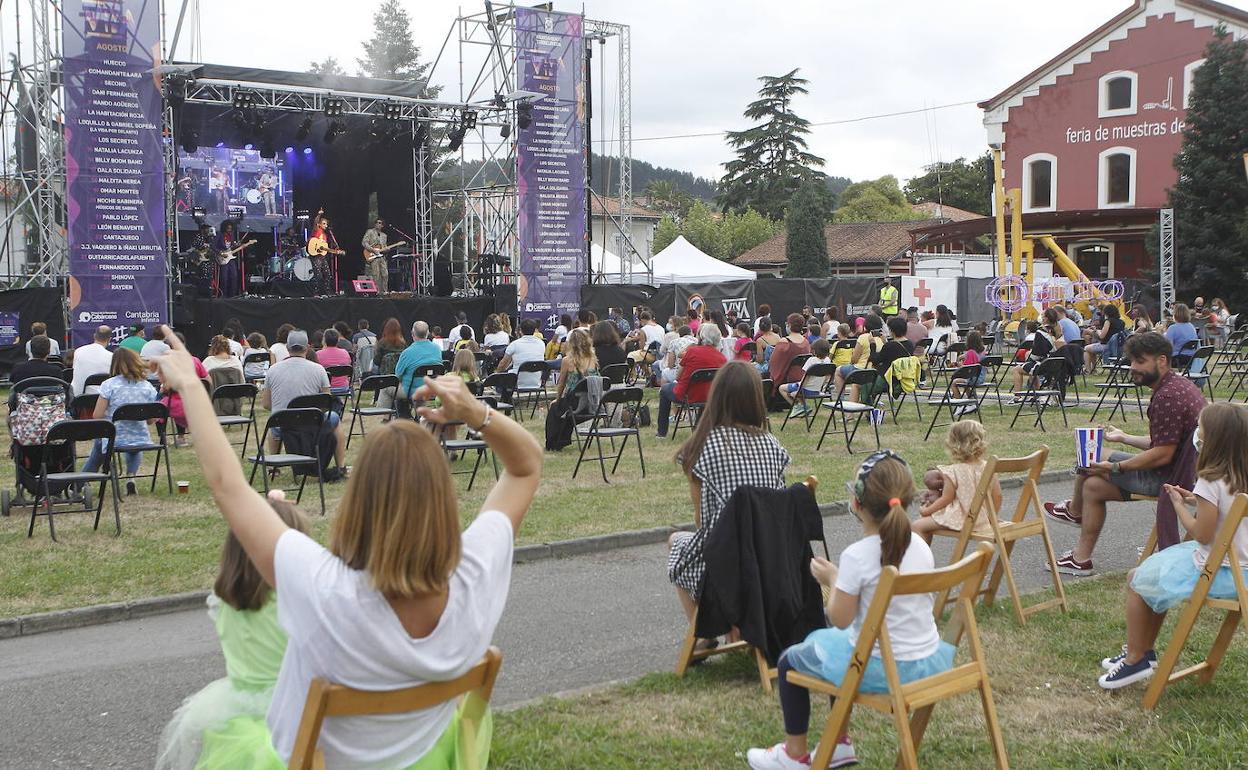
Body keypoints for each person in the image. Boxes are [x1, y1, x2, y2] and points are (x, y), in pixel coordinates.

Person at [148, 326, 541, 769]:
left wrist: (189, 385)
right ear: (442, 501)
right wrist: (475, 412)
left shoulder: (324, 588)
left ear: (358, 501)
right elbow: (526, 467)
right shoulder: (475, 574)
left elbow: (228, 485)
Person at [746, 450, 951, 770]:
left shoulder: (859, 555)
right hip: (924, 660)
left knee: (790, 661)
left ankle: (794, 753)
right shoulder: (920, 545)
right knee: (834, 649)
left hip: (884, 668)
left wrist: (833, 578)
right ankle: (838, 744)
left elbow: (840, 620)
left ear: (856, 504)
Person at [1097, 402, 1248, 689]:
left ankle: (1135, 658)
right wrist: (1196, 500)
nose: (1197, 437)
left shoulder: (1210, 479)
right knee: (1156, 573)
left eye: (1200, 431)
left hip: (1218, 571)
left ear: (1212, 440)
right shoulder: (1240, 477)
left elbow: (1201, 534)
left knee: (1137, 578)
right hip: (1244, 572)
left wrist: (1179, 505)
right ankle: (1142, 650)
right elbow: (1229, 515)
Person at [155, 494, 309, 770]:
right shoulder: (293, 601)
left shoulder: (225, 599)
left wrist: (270, 506)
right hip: (291, 711)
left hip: (236, 713)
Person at [1044, 332, 1207, 575]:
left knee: (1096, 453)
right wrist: (1123, 437)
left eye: (1140, 361)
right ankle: (1081, 559)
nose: (1133, 367)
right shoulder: (1180, 386)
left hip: (1171, 479)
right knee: (1093, 486)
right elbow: (1166, 442)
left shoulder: (1167, 397)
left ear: (1161, 360)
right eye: (1132, 361)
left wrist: (1116, 468)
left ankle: (1074, 511)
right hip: (1187, 472)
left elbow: (1162, 454)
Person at [668, 362, 788, 623]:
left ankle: (701, 635)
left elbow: (702, 523)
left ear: (716, 396)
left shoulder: (704, 446)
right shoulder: (772, 444)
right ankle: (739, 629)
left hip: (730, 560)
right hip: (773, 556)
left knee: (677, 542)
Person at [261, 330, 347, 473]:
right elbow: (327, 403)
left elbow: (266, 404)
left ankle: (273, 467)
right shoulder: (319, 370)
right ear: (307, 348)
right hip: (312, 423)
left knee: (274, 422)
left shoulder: (272, 370)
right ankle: (341, 466)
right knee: (335, 419)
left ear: (287, 348)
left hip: (283, 423)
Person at [83, 347, 159, 494]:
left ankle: (80, 482)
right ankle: (131, 477)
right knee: (134, 445)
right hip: (140, 438)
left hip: (114, 437)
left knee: (100, 443)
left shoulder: (109, 385)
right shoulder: (147, 386)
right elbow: (151, 420)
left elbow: (97, 416)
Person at [911, 421, 1002, 543]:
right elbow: (998, 496)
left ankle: (922, 561)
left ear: (954, 444)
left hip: (962, 519)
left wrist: (926, 511)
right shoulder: (988, 467)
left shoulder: (953, 471)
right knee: (923, 524)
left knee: (917, 526)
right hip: (983, 520)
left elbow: (946, 499)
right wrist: (991, 517)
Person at [655, 323, 727, 438]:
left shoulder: (692, 351)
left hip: (687, 395)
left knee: (664, 390)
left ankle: (661, 432)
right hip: (710, 396)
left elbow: (678, 377)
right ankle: (699, 429)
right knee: (704, 393)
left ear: (702, 336)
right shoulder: (721, 357)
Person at [832, 314, 885, 402]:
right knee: (856, 383)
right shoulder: (882, 339)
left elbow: (854, 360)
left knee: (838, 371)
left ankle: (840, 400)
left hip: (859, 369)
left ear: (866, 325)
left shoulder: (863, 337)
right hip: (874, 371)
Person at [393, 321, 446, 406]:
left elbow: (398, 374)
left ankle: (386, 417)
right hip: (432, 390)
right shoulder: (437, 349)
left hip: (410, 391)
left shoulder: (407, 352)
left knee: (386, 389)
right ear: (428, 333)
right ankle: (417, 415)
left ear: (412, 333)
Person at [781, 338, 832, 417]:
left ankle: (798, 407)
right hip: (817, 390)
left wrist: (799, 391)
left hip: (806, 389)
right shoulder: (828, 360)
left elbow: (806, 377)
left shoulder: (811, 360)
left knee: (782, 388)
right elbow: (828, 377)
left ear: (814, 351)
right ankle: (802, 407)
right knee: (793, 392)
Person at [768, 313, 813, 391]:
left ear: (789, 325)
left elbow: (773, 363)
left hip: (785, 379)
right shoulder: (806, 342)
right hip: (802, 377)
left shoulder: (784, 342)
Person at [554, 327, 598, 401]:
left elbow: (561, 384)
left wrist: (557, 400)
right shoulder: (593, 359)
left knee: (554, 408)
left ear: (571, 344)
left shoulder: (567, 360)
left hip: (573, 401)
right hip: (592, 400)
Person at [72, 325, 115, 396]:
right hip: (101, 397)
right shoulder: (112, 357)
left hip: (77, 397)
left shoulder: (78, 351)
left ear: (94, 336)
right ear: (109, 339)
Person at [951, 329, 987, 408]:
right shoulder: (982, 351)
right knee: (965, 383)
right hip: (981, 377)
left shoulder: (971, 352)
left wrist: (959, 365)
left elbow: (967, 370)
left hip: (973, 379)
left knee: (954, 382)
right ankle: (971, 400)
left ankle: (960, 404)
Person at [1083, 304, 1125, 372]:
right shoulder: (1121, 322)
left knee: (1086, 348)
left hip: (1107, 346)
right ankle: (1093, 369)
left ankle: (1088, 370)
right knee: (1092, 349)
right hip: (1117, 347)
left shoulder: (1108, 321)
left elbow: (1102, 336)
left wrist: (1096, 330)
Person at [361, 217, 390, 294]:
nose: (378, 224)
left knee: (385, 274)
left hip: (382, 256)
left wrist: (386, 249)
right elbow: (364, 242)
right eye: (377, 222)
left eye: (380, 223)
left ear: (382, 225)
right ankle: (377, 291)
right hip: (373, 255)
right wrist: (372, 249)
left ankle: (385, 291)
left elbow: (384, 247)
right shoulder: (370, 232)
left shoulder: (384, 235)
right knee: (376, 274)